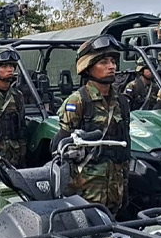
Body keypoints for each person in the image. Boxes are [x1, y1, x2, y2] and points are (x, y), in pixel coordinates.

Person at [54, 35, 130, 214]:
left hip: (114, 189)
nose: (111, 66)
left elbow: (125, 146)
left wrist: (125, 185)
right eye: (104, 62)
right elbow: (60, 150)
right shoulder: (77, 101)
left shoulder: (121, 102)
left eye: (113, 61)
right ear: (88, 66)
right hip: (85, 192)